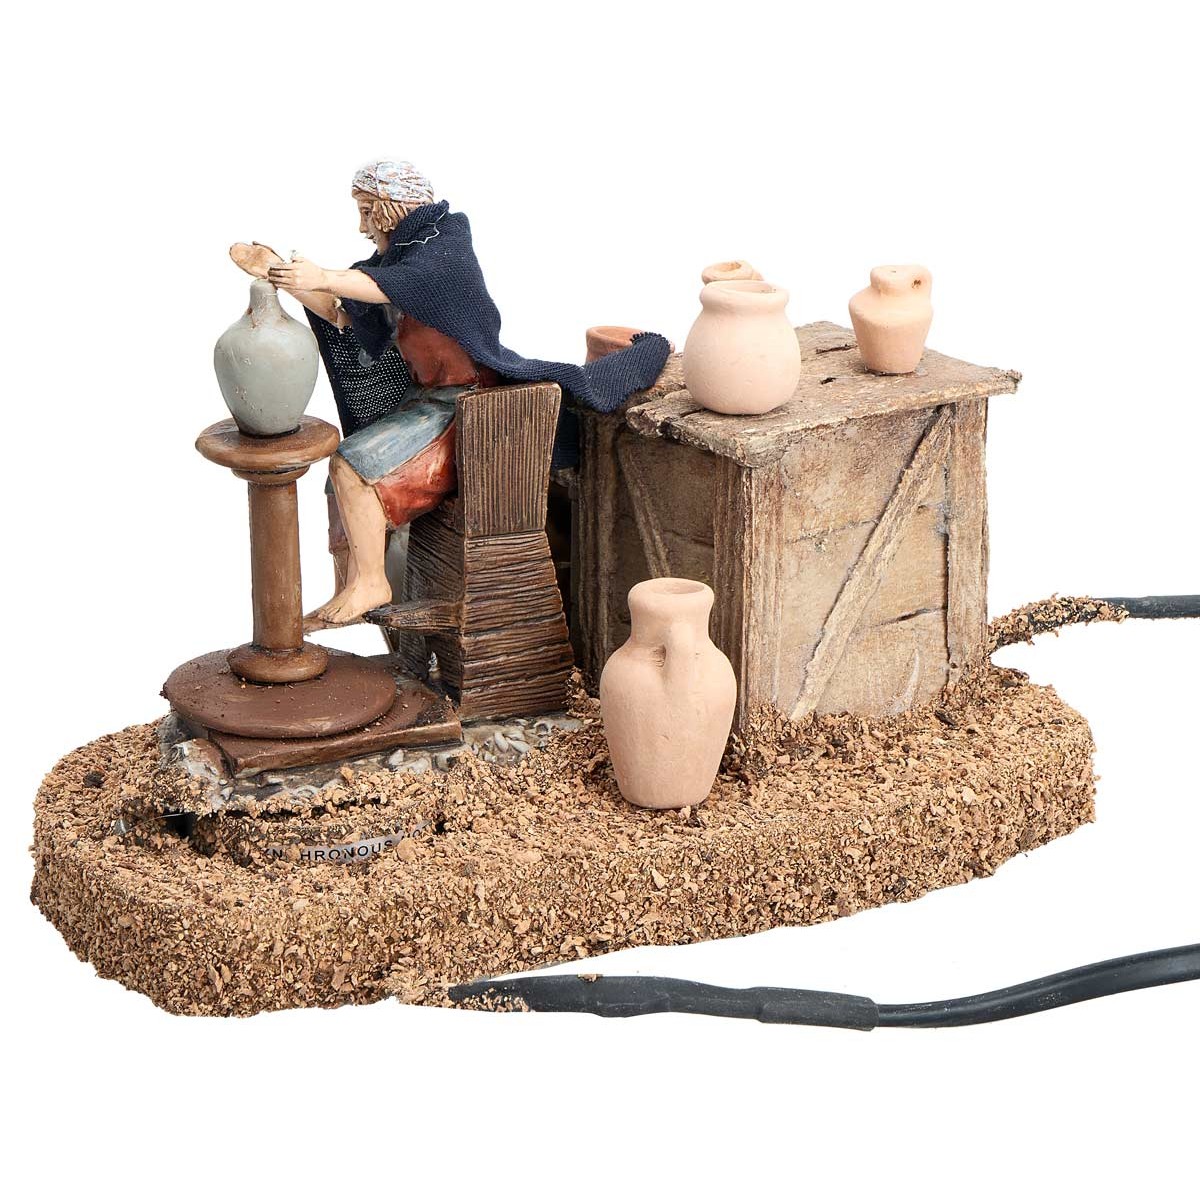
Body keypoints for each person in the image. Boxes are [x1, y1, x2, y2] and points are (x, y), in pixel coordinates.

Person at [231, 160, 670, 628]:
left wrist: (321, 275)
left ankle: (372, 583)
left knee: (353, 467)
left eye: (367, 212)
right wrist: (287, 277)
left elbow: (393, 285)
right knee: (336, 482)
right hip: (428, 400)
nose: (362, 226)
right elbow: (346, 310)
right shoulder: (396, 260)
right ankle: (354, 582)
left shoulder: (443, 249)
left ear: (391, 208)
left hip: (467, 404)